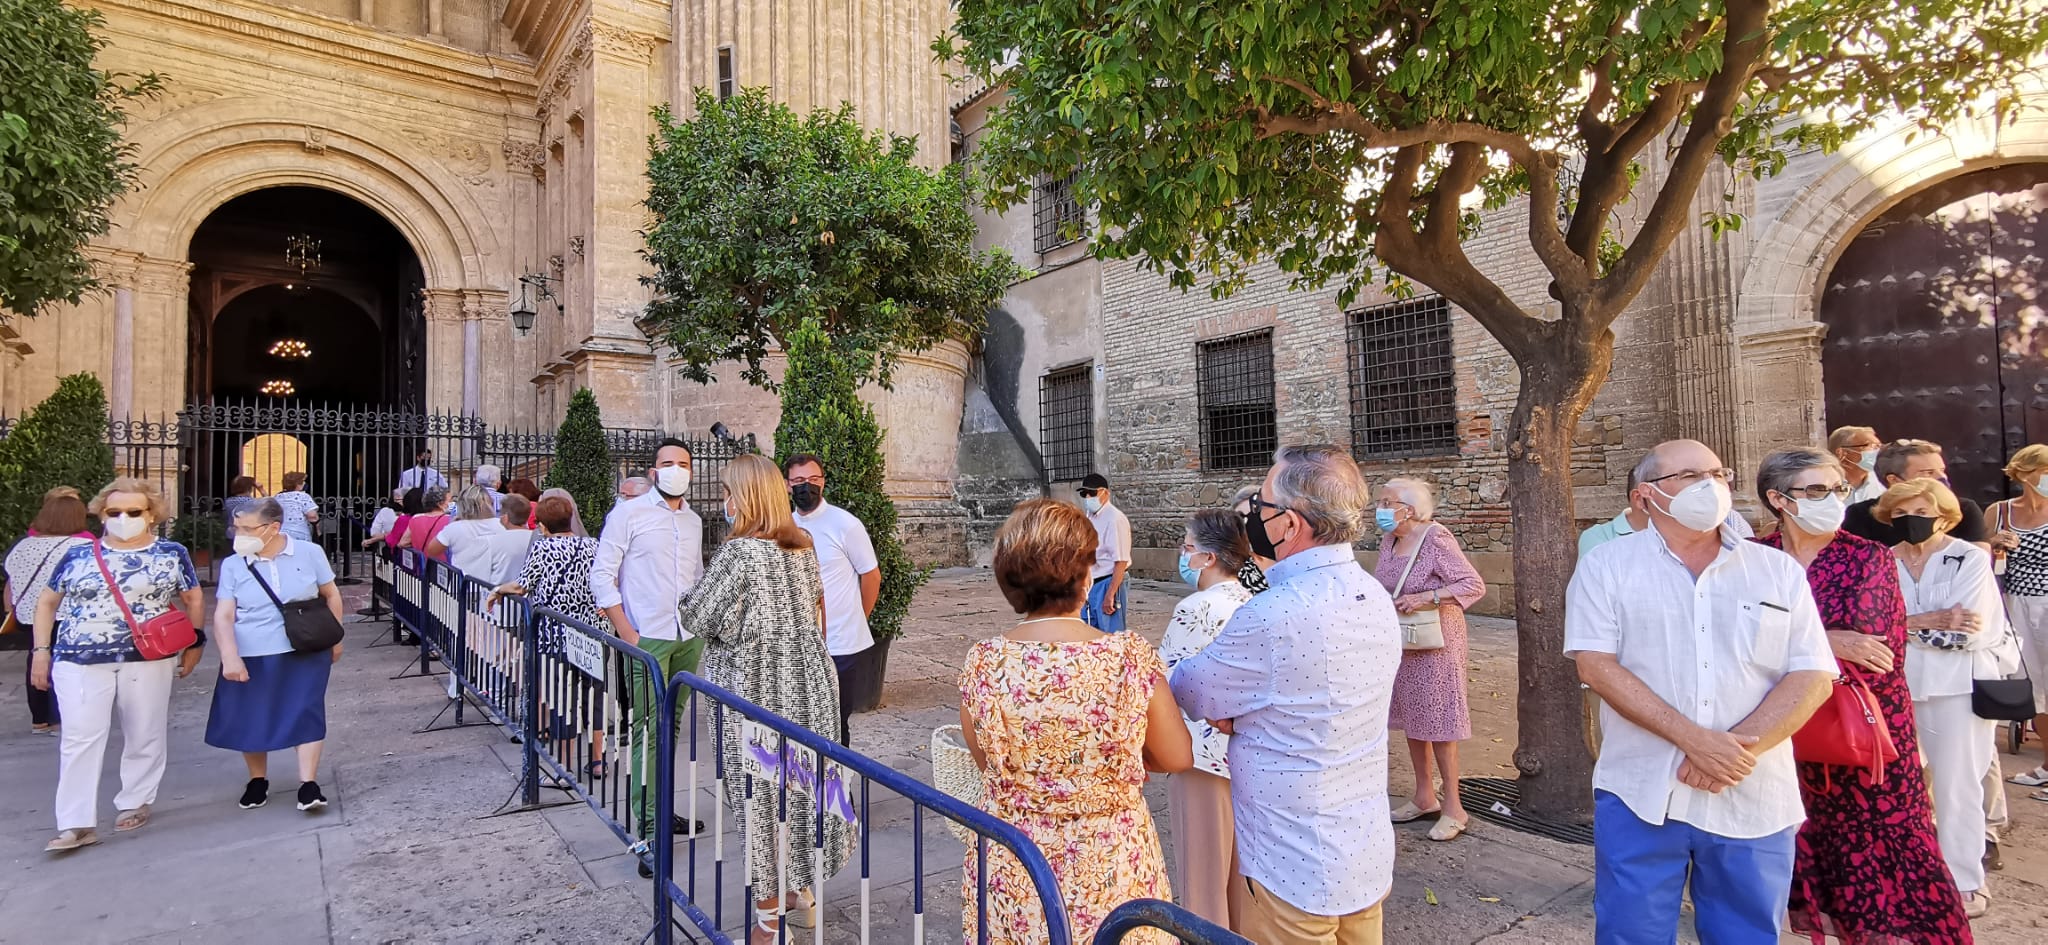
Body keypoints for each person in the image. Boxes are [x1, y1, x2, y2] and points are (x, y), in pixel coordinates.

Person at [1566, 439, 1836, 944]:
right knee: (1631, 933)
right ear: (1647, 495)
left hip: (1751, 791)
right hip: (1643, 789)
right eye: (1689, 476)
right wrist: (1695, 740)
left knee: (1747, 934)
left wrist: (1733, 749)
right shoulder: (1607, 567)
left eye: (1718, 473)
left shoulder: (1776, 572)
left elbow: (1812, 674)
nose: (1711, 486)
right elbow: (1596, 665)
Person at [1172, 444, 1399, 944]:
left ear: (1291, 525)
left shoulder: (1273, 614)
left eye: (1262, 506)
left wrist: (1237, 713)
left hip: (1290, 862)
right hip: (1362, 849)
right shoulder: (1374, 596)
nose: (1252, 516)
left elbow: (1192, 690)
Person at [1751, 448, 1971, 942]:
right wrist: (1826, 638)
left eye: (1837, 489)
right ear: (1778, 499)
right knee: (1804, 833)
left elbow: (1872, 649)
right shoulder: (1752, 557)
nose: (1832, 499)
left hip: (1863, 731)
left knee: (1883, 842)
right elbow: (1730, 639)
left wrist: (1781, 639)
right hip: (1781, 724)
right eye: (1816, 490)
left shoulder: (1864, 556)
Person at [960, 498, 1188, 944]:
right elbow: (1176, 755)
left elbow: (987, 760)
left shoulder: (984, 663)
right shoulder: (1127, 659)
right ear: (1085, 577)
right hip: (1108, 858)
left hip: (1015, 858)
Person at [682, 453, 851, 944]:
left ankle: (768, 926)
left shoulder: (741, 554)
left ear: (746, 497)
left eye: (729, 492)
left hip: (758, 693)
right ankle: (802, 899)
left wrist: (716, 616)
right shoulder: (802, 547)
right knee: (801, 795)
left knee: (758, 804)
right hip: (809, 689)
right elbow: (810, 608)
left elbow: (698, 614)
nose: (724, 501)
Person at [30, 478, 206, 852]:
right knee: (79, 737)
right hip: (78, 657)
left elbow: (192, 597)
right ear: (101, 514)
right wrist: (42, 650)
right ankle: (76, 823)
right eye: (114, 512)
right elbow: (46, 602)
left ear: (151, 515)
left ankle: (135, 799)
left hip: (147, 657)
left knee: (144, 730)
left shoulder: (171, 553)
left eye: (133, 511)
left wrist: (195, 640)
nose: (123, 518)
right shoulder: (78, 554)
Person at [1881, 478, 2012, 917]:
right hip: (1897, 687)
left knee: (1958, 786)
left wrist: (1902, 624)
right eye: (1899, 513)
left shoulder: (1969, 558)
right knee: (1900, 787)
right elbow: (1869, 627)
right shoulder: (1883, 560)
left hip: (1958, 686)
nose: (1908, 520)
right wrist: (1924, 621)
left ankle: (1965, 879)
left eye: (1917, 510)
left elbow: (1964, 635)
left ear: (1943, 513)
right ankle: (1908, 874)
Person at [589, 437, 705, 842]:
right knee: (647, 730)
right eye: (668, 462)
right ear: (653, 471)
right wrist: (628, 634)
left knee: (671, 727)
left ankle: (662, 806)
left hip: (687, 637)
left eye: (684, 463)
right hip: (647, 638)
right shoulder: (628, 514)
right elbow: (601, 576)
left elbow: (696, 576)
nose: (676, 469)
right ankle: (649, 827)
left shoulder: (693, 521)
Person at [207, 499, 345, 813]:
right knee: (252, 714)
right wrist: (230, 656)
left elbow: (331, 594)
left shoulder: (308, 553)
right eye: (236, 527)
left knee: (306, 710)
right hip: (253, 649)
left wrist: (336, 638)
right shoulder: (234, 564)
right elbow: (224, 615)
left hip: (305, 645)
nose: (238, 534)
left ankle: (308, 782)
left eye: (247, 528)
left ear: (273, 528)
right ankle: (257, 779)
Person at [1157, 508, 1253, 929]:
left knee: (1202, 877)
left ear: (1209, 557)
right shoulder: (1253, 602)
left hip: (1200, 753)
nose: (1184, 555)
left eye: (1188, 547)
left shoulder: (1195, 607)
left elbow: (1165, 683)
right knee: (1238, 874)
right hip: (1246, 755)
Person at [1374, 477, 1485, 842]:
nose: (1381, 508)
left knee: (1438, 719)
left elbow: (1472, 585)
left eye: (1387, 501)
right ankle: (1424, 796)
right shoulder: (1390, 541)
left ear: (1409, 507)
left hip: (1436, 642)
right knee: (1413, 717)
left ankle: (1454, 806)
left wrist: (1427, 597)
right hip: (1403, 642)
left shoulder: (1436, 537)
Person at [489, 494, 606, 778]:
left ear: (542, 525)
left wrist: (499, 590)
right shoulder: (593, 545)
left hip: (555, 636)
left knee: (561, 699)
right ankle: (597, 760)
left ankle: (564, 764)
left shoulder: (543, 549)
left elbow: (523, 586)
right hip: (590, 635)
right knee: (594, 697)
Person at [785, 453, 880, 744]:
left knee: (836, 726)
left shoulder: (845, 524)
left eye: (813, 479)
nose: (807, 486)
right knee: (801, 724)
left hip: (840, 644)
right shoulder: (783, 526)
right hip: (799, 645)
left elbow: (871, 575)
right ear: (788, 485)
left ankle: (838, 789)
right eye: (799, 480)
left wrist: (857, 619)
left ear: (823, 483)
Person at [5, 488, 92, 734]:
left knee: (37, 658)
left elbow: (11, 578)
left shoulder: (23, 546)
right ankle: (60, 716)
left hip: (29, 615)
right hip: (67, 614)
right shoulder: (83, 545)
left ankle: (40, 718)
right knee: (67, 664)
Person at [1995, 444, 2048, 792]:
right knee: (2035, 687)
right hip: (2015, 604)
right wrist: (1993, 542)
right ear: (2027, 473)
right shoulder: (1999, 512)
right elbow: (1983, 557)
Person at [1578, 457, 1753, 558]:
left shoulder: (1731, 521)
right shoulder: (1599, 539)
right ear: (1640, 498)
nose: (1706, 489)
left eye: (1717, 475)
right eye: (1688, 478)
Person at [1842, 439, 1991, 548]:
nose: (1942, 478)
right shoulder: (1861, 515)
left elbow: (1980, 560)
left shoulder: (1964, 509)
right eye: (1928, 472)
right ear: (1894, 480)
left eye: (1942, 470)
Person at [1078, 473, 1132, 632]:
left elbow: (1121, 560)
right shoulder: (1090, 516)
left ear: (1105, 493)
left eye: (1092, 493)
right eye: (1084, 494)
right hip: (1092, 581)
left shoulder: (1114, 519)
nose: (1088, 497)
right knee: (1090, 632)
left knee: (1111, 633)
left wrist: (1111, 594)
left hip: (1109, 579)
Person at [427, 485, 506, 578]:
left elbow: (432, 551)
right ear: (490, 503)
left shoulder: (455, 527)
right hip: (495, 585)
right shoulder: (503, 524)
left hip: (463, 584)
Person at [481, 493, 536, 585]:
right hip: (527, 594)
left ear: (505, 517)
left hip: (499, 593)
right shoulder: (539, 540)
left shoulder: (491, 541)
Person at [1228, 485, 1272, 593]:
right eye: (1241, 517)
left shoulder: (1294, 559)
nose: (1250, 523)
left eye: (1255, 514)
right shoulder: (1236, 570)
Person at [1828, 425, 1886, 504]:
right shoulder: (1824, 485)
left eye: (1879, 446)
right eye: (1871, 445)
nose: (1878, 451)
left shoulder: (1883, 484)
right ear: (1841, 453)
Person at [398, 486, 452, 558]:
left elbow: (402, 543)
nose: (452, 503)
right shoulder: (450, 520)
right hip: (442, 565)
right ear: (440, 504)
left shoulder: (416, 519)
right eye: (450, 501)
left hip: (422, 564)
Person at [274, 471, 320, 542]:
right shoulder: (303, 496)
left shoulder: (277, 497)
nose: (304, 483)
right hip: (299, 533)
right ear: (298, 484)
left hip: (280, 533)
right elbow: (312, 516)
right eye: (303, 481)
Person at [223, 476, 266, 548]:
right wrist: (261, 489)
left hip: (232, 534)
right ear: (248, 488)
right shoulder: (251, 502)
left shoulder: (228, 501)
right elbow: (270, 504)